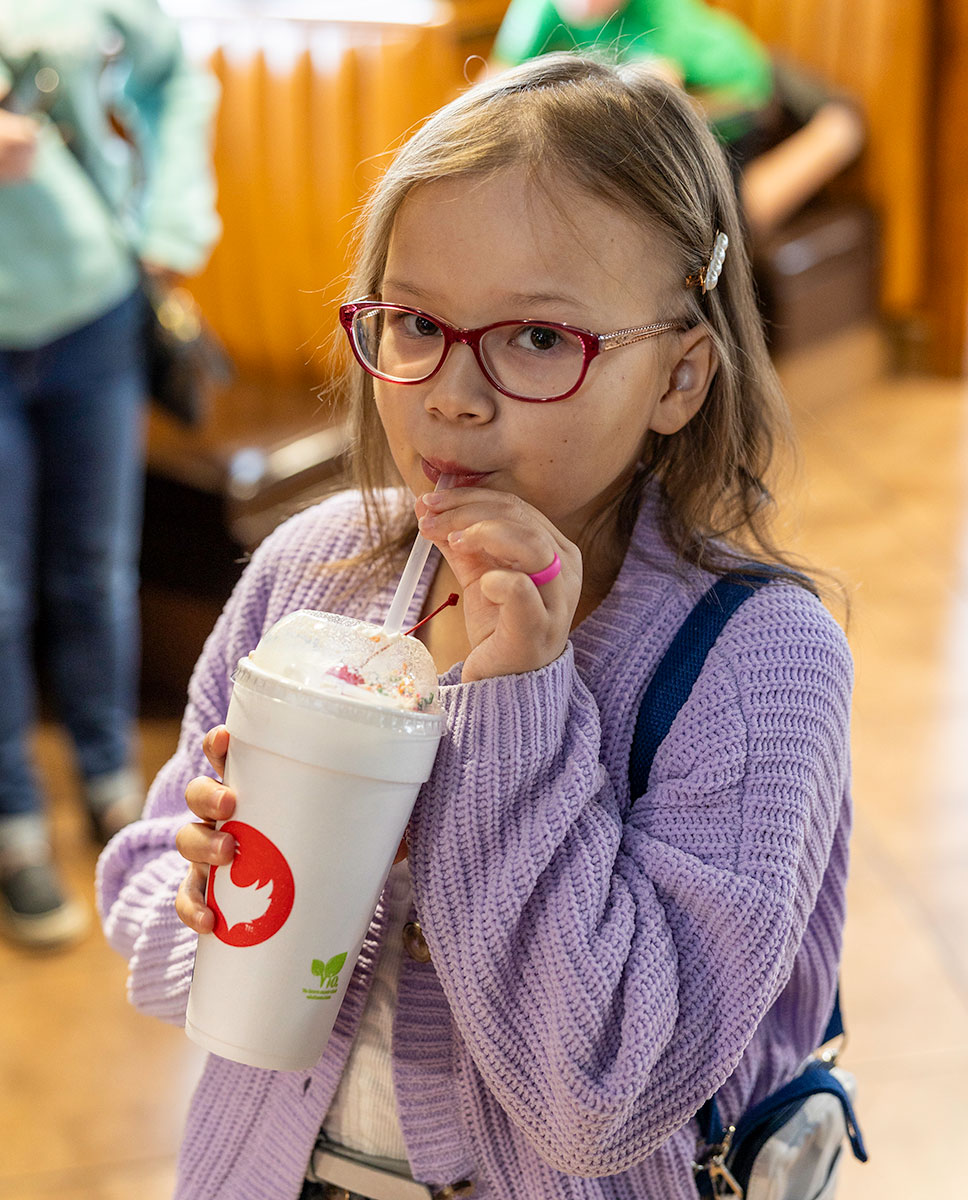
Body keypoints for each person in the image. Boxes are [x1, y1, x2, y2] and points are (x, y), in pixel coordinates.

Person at [97, 53, 853, 1200]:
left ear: (679, 379)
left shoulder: (759, 667)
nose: (452, 394)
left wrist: (515, 704)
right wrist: (212, 898)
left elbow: (600, 1096)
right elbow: (149, 907)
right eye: (412, 322)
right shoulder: (316, 570)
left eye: (538, 339)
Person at [0, 0, 220, 948]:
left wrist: (168, 221)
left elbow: (176, 78)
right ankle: (16, 824)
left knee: (95, 571)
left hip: (93, 313)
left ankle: (112, 789)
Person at [492, 0, 866, 238]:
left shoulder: (663, 14)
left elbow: (658, 102)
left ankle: (837, 131)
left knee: (724, 223)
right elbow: (493, 84)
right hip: (664, 111)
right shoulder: (536, 9)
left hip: (738, 100)